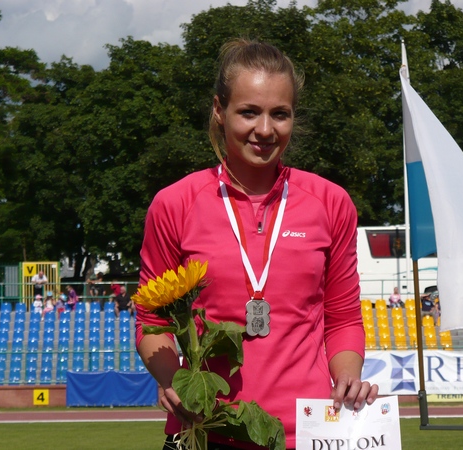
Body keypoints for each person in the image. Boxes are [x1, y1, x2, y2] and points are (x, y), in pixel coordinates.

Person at [135, 39, 378, 450]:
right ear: (219, 110)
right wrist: (171, 379)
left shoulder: (330, 202)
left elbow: (342, 319)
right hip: (206, 429)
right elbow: (150, 319)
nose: (265, 130)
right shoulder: (175, 203)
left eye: (279, 114)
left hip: (308, 432)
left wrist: (348, 377)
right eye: (249, 112)